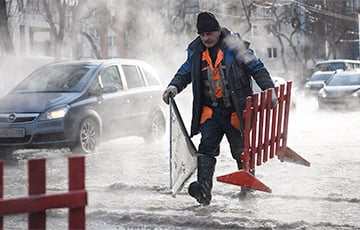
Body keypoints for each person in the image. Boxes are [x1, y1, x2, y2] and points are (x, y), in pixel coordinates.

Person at [162, 11, 277, 206]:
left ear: (217, 31)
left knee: (241, 152)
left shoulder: (235, 46)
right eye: (202, 35)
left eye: (209, 34)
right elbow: (185, 72)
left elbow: (257, 67)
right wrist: (173, 86)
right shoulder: (196, 51)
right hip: (210, 113)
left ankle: (247, 193)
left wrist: (269, 90)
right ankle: (203, 191)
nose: (206, 38)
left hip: (235, 111)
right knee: (205, 150)